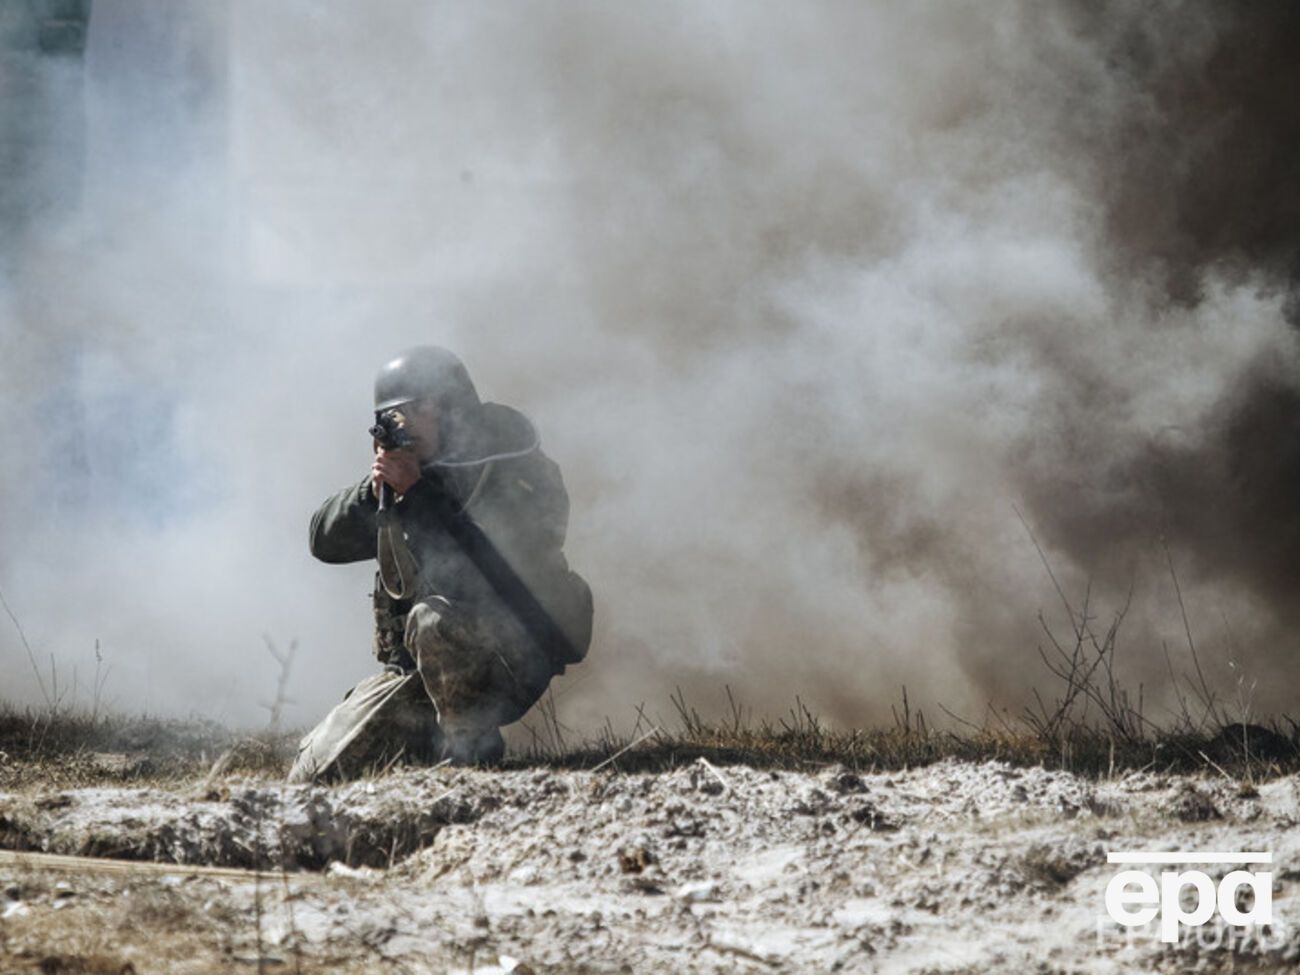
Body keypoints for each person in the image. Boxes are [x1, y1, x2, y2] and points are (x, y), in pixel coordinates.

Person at [288, 346, 593, 781]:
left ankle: (471, 751)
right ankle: (429, 740)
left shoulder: (515, 471)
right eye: (394, 415)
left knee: (434, 620)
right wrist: (375, 490)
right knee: (314, 775)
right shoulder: (410, 476)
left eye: (414, 410)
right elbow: (324, 541)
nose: (402, 425)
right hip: (423, 669)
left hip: (512, 649)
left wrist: (419, 495)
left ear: (451, 408)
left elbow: (493, 568)